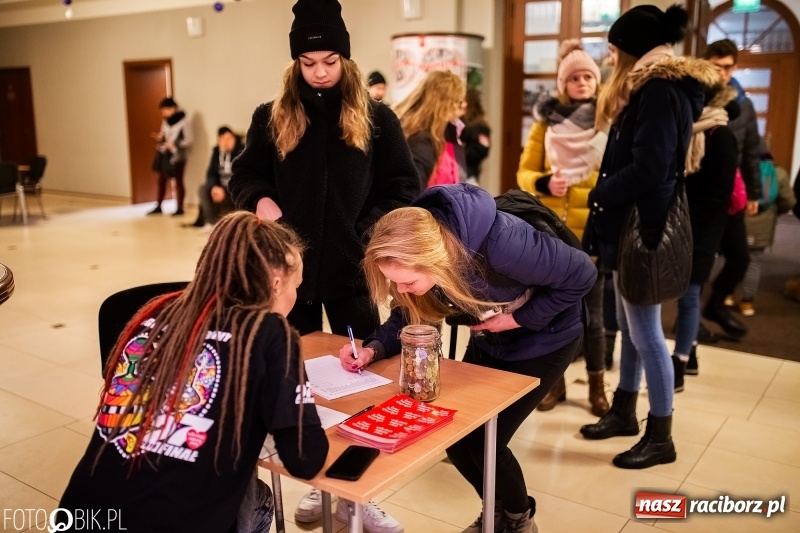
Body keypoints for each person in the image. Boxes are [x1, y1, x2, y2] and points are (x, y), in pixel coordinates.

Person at [228, 1, 418, 530]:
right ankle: (315, 484)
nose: (319, 72)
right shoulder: (271, 116)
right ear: (295, 64)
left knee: (364, 381)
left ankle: (360, 492)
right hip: (289, 281)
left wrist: (368, 230)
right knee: (302, 388)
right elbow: (244, 178)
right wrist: (259, 198)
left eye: (329, 61)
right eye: (308, 63)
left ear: (346, 60)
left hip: (353, 275)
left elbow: (403, 188)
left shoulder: (376, 118)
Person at [338, 184, 597, 533]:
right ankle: (496, 512)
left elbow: (582, 274)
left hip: (546, 337)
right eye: (394, 283)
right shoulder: (426, 256)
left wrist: (517, 319)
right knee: (460, 439)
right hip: (491, 332)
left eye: (407, 281)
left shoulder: (503, 244)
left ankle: (520, 520)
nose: (401, 290)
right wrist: (372, 348)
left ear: (431, 260)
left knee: (491, 441)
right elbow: (410, 312)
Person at [57, 212, 329, 533]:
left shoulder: (153, 314)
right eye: (295, 286)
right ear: (276, 283)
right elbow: (305, 458)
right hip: (176, 523)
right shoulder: (269, 332)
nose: (294, 298)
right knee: (259, 500)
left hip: (78, 517)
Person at [579, 4, 719, 469]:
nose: (611, 58)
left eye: (614, 49)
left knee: (646, 334)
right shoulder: (659, 87)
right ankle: (624, 411)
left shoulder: (659, 89)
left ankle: (661, 436)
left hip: (644, 229)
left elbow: (650, 167)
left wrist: (601, 193)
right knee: (630, 327)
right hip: (634, 227)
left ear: (629, 50)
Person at [516, 39, 610, 416]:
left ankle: (597, 389)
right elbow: (524, 172)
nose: (583, 83)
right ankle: (555, 385)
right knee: (552, 316)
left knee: (595, 318)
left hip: (592, 233)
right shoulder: (545, 123)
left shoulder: (607, 123)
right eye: (575, 78)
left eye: (589, 76)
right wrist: (543, 183)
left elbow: (616, 176)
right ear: (563, 84)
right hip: (552, 237)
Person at [671, 82, 739, 392]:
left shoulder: (720, 134)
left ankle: (681, 364)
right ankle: (687, 356)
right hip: (676, 226)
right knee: (675, 296)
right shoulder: (681, 130)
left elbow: (718, 195)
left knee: (688, 299)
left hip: (701, 232)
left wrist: (690, 227)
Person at [700, 39, 761, 338]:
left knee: (740, 257)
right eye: (716, 66)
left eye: (727, 67)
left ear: (735, 67)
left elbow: (752, 150)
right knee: (698, 262)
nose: (722, 72)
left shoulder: (744, 104)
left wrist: (754, 193)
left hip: (731, 194)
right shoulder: (697, 97)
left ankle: (715, 305)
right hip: (700, 191)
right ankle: (691, 323)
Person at [737, 142, 797, 314]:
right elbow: (789, 202)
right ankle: (747, 302)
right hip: (763, 223)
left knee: (734, 258)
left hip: (739, 221)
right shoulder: (779, 173)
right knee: (754, 261)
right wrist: (774, 212)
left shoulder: (739, 168)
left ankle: (726, 295)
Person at [394, 70, 467, 189]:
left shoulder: (440, 136)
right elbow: (413, 191)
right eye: (458, 102)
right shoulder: (422, 140)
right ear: (446, 104)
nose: (462, 106)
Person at [189, 126, 244, 230]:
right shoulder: (216, 152)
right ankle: (211, 223)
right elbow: (211, 173)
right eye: (222, 139)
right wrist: (214, 187)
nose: (225, 142)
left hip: (234, 188)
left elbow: (241, 176)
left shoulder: (242, 151)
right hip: (220, 186)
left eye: (228, 139)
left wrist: (224, 190)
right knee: (203, 189)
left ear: (234, 138)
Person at [149, 97, 192, 216]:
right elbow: (164, 134)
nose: (163, 112)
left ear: (172, 108)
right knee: (161, 180)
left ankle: (180, 207)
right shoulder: (166, 121)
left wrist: (175, 143)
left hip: (178, 155)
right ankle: (158, 206)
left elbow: (189, 140)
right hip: (166, 154)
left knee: (178, 181)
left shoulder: (184, 121)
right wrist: (160, 137)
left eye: (165, 110)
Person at [460, 87, 492, 185]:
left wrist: (458, 153)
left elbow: (481, 150)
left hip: (469, 174)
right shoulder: (458, 121)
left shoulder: (480, 126)